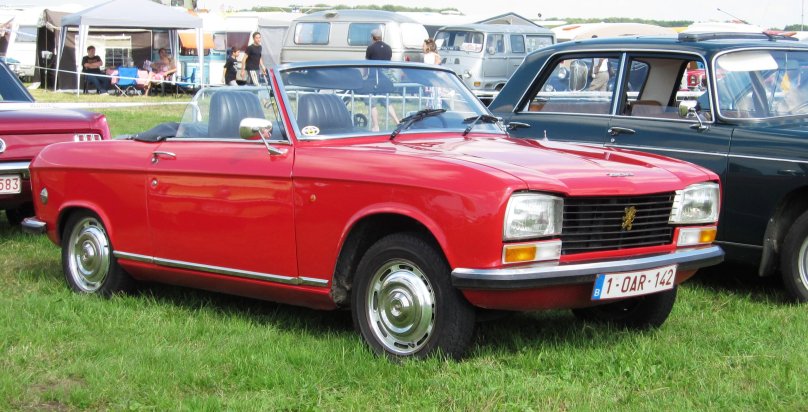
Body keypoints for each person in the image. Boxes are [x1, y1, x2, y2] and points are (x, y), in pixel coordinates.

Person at [364, 29, 398, 131]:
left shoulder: (370, 48)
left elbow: (366, 64)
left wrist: (364, 76)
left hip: (373, 79)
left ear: (372, 37)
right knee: (387, 102)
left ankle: (376, 126)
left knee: (371, 102)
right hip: (385, 79)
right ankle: (398, 122)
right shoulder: (388, 48)